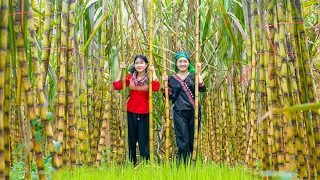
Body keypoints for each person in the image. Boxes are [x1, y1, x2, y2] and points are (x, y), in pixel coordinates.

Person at [113, 55, 160, 165]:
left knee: (144, 139)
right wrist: (120, 70)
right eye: (137, 63)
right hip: (132, 110)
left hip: (145, 111)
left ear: (146, 65)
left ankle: (145, 163)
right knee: (132, 138)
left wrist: (154, 72)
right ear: (134, 65)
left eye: (141, 63)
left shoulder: (149, 78)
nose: (139, 65)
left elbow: (156, 87)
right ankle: (132, 162)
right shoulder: (130, 77)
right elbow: (117, 86)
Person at [162, 52, 206, 164]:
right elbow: (167, 95)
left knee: (192, 139)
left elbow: (202, 88)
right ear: (176, 64)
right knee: (182, 140)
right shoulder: (171, 79)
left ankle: (193, 165)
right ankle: (182, 164)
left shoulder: (193, 76)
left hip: (194, 112)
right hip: (179, 112)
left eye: (185, 61)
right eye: (180, 61)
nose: (182, 64)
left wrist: (199, 72)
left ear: (188, 63)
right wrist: (164, 82)